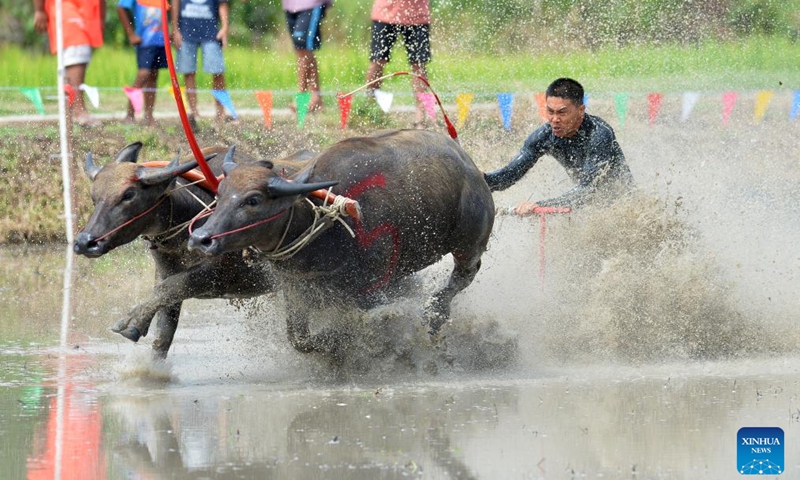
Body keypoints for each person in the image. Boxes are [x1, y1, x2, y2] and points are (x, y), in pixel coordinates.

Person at [484, 78, 634, 212]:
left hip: (625, 207)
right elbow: (507, 176)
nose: (554, 119)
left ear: (581, 110)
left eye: (562, 113)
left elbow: (588, 190)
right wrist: (480, 179)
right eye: (550, 111)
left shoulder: (599, 134)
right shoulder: (543, 137)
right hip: (589, 207)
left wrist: (539, 205)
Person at [33, 0, 106, 127]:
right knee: (76, 50)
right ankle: (79, 111)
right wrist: (39, 10)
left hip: (88, 9)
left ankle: (69, 112)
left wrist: (101, 17)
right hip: (66, 7)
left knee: (80, 55)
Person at [365, 0, 431, 128]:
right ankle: (370, 109)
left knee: (419, 65)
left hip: (418, 16)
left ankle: (421, 119)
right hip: (384, 13)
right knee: (377, 61)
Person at [170, 0, 231, 123]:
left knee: (218, 71)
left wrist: (224, 27)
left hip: (211, 32)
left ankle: (221, 112)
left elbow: (222, 3)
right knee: (188, 72)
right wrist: (175, 29)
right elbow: (175, 3)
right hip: (186, 31)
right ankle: (193, 112)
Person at [117, 0, 168, 126]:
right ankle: (130, 115)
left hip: (160, 40)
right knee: (143, 74)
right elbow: (121, 8)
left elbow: (168, 9)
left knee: (153, 77)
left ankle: (149, 115)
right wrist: (130, 34)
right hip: (144, 41)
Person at [282, 0, 331, 113]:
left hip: (310, 4)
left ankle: (301, 96)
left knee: (302, 48)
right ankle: (316, 97)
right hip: (290, 6)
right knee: (303, 51)